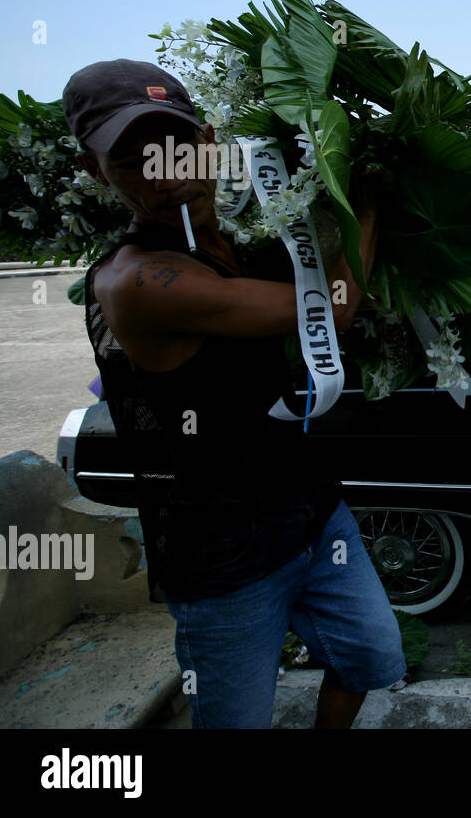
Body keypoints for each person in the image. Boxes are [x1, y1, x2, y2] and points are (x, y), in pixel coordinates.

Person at [63, 59, 405, 728]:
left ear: (210, 140)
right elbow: (330, 307)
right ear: (95, 171)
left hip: (312, 509)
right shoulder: (136, 281)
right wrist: (366, 199)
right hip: (225, 551)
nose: (168, 173)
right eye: (135, 160)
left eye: (178, 147)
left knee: (370, 657)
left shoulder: (249, 233)